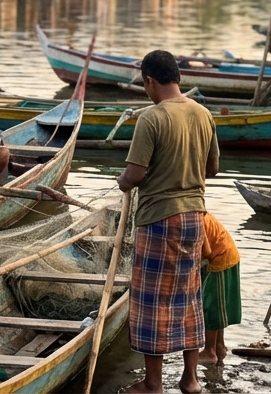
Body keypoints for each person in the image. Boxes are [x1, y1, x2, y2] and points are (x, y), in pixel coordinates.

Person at [117, 50, 220, 394]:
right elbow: (212, 169)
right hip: (194, 217)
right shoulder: (203, 114)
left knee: (152, 301)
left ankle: (153, 383)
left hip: (159, 218)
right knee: (188, 296)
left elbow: (135, 174)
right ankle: (190, 380)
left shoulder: (152, 117)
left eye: (144, 84)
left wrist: (123, 181)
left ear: (150, 81)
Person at [198, 211, 241, 366]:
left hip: (220, 259)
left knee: (211, 307)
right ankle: (219, 346)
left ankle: (209, 351)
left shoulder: (196, 219)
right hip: (226, 255)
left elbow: (207, 252)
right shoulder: (198, 214)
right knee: (218, 305)